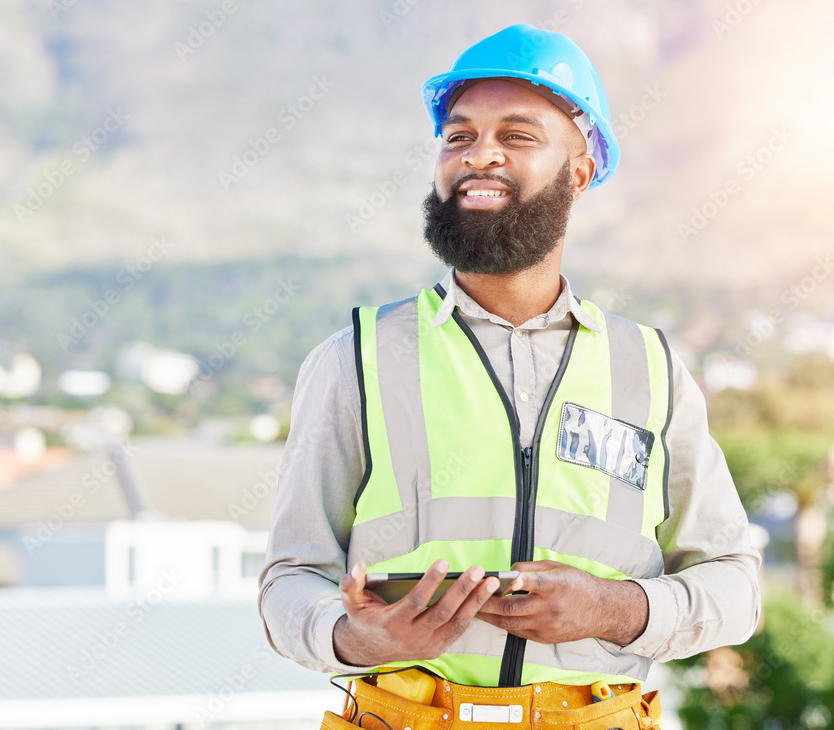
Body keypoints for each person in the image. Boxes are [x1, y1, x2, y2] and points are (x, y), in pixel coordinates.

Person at [259, 23, 760, 729]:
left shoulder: (652, 370)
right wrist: (355, 637)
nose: (479, 155)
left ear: (579, 173)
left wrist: (614, 608)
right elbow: (290, 580)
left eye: (518, 136)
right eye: (459, 136)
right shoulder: (357, 360)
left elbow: (736, 584)